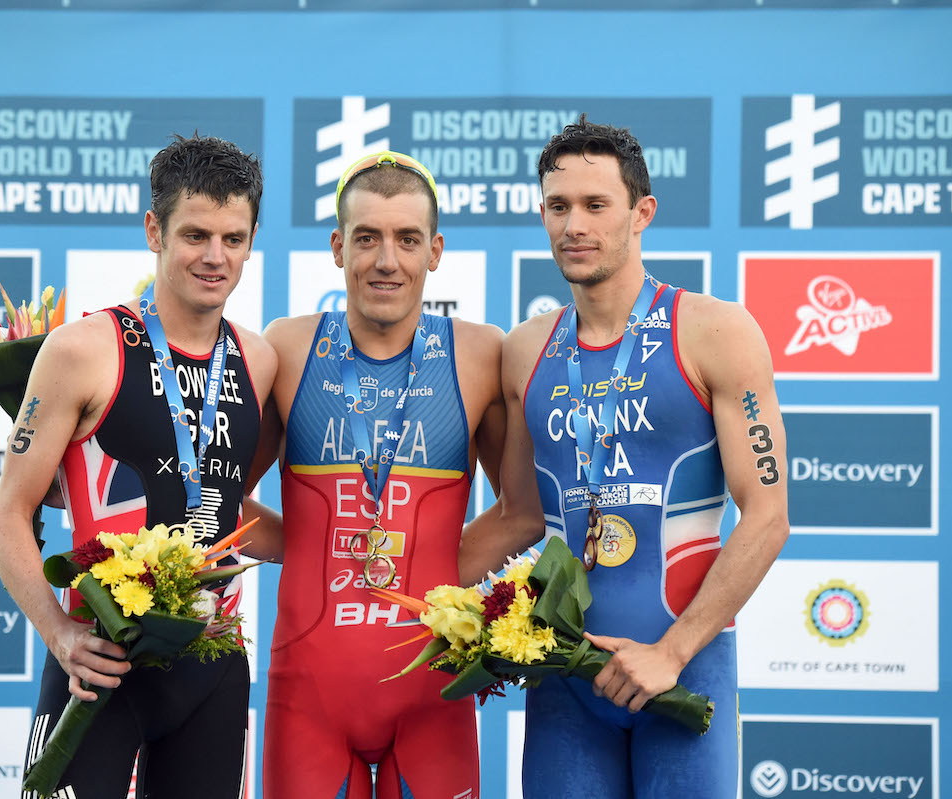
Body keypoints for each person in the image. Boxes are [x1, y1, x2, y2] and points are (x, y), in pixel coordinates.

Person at [462, 116, 790, 798]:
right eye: (558, 206)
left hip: (683, 668)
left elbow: (767, 515)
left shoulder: (715, 330)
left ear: (642, 213)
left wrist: (671, 652)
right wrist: (397, 588)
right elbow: (518, 514)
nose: (573, 225)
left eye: (594, 205)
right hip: (565, 685)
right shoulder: (526, 350)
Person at [0, 134, 276, 798]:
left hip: (214, 662)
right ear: (154, 228)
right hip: (100, 660)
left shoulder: (258, 360)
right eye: (195, 234)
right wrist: (59, 634)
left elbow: (231, 506)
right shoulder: (83, 350)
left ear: (252, 239)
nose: (214, 256)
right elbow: (8, 514)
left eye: (233, 238)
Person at [249, 151, 505, 799]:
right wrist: (309, 545)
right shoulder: (287, 346)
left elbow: (524, 509)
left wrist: (437, 568)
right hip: (309, 691)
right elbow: (221, 505)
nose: (386, 259)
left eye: (407, 239)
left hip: (434, 689)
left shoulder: (479, 354)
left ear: (435, 251)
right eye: (367, 238)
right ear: (338, 247)